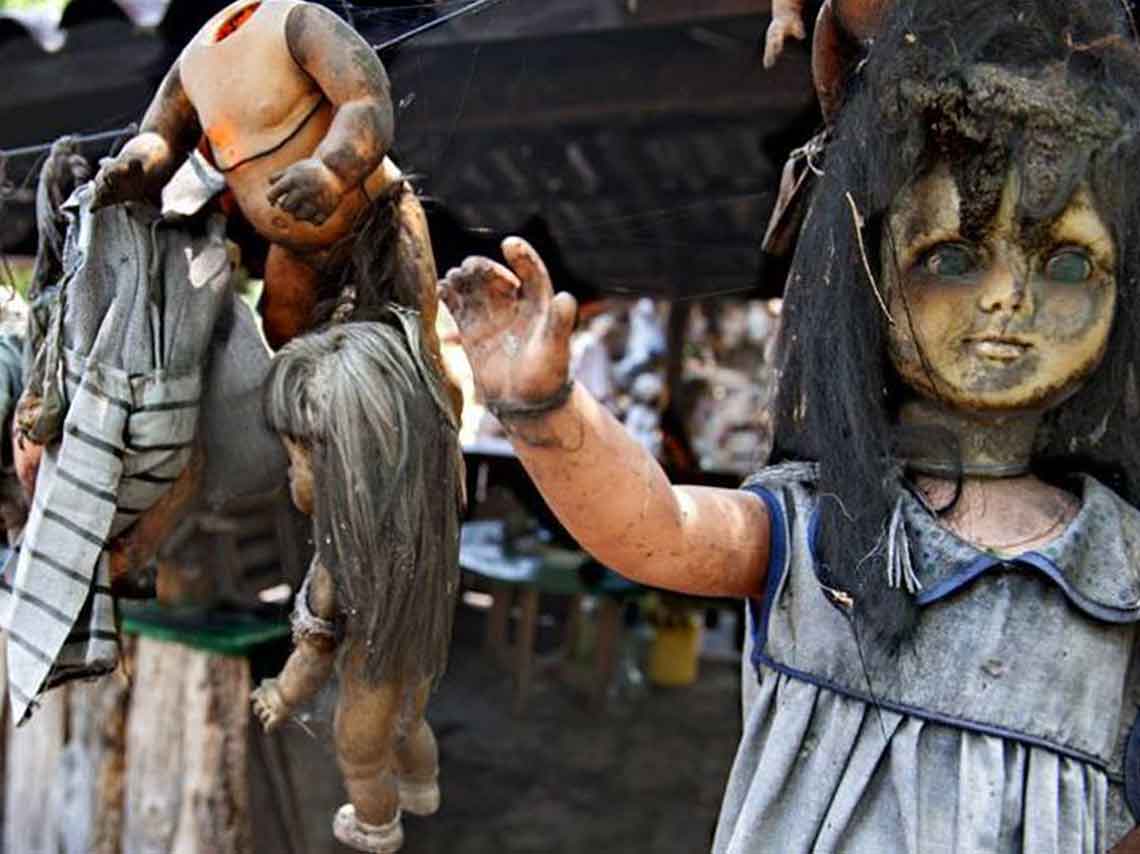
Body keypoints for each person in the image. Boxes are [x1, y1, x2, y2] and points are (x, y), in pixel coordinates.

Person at [440, 0, 1140, 849]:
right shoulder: (824, 526)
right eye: (950, 257)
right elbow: (658, 528)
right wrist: (544, 410)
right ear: (866, 278)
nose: (1008, 300)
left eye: (1068, 262)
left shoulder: (1124, 564)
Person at [251, 317, 464, 853]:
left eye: (295, 458)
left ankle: (376, 827)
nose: (289, 474)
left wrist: (283, 694)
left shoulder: (338, 562)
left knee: (361, 755)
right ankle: (421, 788)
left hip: (370, 674)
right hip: (415, 661)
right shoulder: (426, 531)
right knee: (410, 724)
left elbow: (316, 651)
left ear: (337, 466)